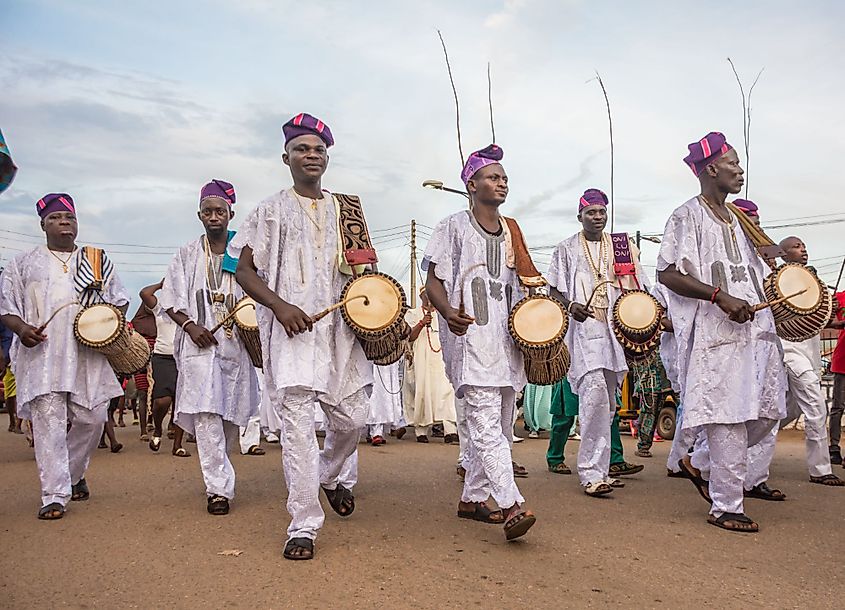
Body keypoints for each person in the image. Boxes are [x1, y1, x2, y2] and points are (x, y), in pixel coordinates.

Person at [231, 113, 373, 560]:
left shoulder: (348, 209)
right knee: (296, 432)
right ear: (286, 157)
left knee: (353, 421)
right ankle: (303, 524)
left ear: (327, 157)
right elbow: (242, 269)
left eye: (318, 150)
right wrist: (279, 305)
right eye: (302, 149)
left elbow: (366, 270)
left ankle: (329, 476)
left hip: (340, 334)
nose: (311, 156)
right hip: (291, 334)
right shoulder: (269, 211)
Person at [657, 132, 786, 532]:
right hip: (715, 336)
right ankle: (726, 505)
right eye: (733, 163)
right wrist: (718, 297)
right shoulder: (686, 216)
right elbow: (667, 273)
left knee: (769, 412)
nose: (740, 169)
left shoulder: (739, 221)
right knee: (728, 416)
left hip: (754, 333)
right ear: (712, 168)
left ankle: (700, 462)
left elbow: (756, 274)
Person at [423, 143, 536, 541]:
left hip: (506, 343)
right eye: (492, 176)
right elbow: (433, 279)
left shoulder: (513, 230)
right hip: (469, 337)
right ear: (471, 184)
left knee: (501, 426)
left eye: (504, 177)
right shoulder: (452, 226)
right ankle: (511, 503)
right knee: (486, 423)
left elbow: (526, 283)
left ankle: (472, 498)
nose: (501, 182)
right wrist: (448, 312)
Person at [0, 193, 129, 519]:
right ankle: (54, 495)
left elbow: (120, 300)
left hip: (87, 354)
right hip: (42, 355)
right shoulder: (23, 263)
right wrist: (21, 329)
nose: (64, 223)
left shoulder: (96, 260)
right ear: (43, 224)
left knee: (94, 418)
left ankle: (72, 474)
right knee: (49, 424)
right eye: (56, 218)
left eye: (69, 217)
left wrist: (106, 322)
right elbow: (7, 308)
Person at [160, 180, 260, 516]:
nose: (214, 216)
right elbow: (170, 299)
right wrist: (190, 326)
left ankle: (222, 473)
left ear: (231, 213)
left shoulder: (244, 252)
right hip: (199, 347)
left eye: (220, 211)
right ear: (199, 215)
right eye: (207, 211)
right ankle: (218, 490)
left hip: (237, 346)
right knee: (205, 415)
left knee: (230, 417)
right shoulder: (187, 254)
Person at [547, 188, 647, 496]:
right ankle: (590, 474)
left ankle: (602, 470)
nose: (598, 217)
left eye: (602, 211)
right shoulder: (566, 248)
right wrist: (570, 305)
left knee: (608, 406)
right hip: (585, 331)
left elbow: (636, 285)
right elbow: (553, 290)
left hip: (614, 332)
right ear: (580, 217)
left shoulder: (620, 245)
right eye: (591, 212)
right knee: (592, 400)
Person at [765, 236, 842, 485]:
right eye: (796, 247)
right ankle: (821, 470)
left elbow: (815, 318)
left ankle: (749, 444)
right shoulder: (780, 281)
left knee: (790, 409)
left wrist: (834, 322)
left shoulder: (811, 282)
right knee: (816, 406)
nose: (803, 249)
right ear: (783, 254)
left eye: (804, 246)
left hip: (809, 352)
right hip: (790, 351)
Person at [139, 280, 190, 458]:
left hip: (184, 357)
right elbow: (145, 293)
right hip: (162, 357)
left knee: (181, 403)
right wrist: (162, 284)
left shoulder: (189, 309)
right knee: (163, 400)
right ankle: (158, 429)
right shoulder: (160, 307)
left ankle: (177, 445)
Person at [403, 288, 458, 444]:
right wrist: (421, 323)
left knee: (446, 392)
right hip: (422, 357)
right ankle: (421, 431)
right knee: (423, 392)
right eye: (426, 296)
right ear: (421, 297)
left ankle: (450, 431)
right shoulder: (413, 314)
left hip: (441, 358)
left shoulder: (444, 315)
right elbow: (409, 337)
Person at [367, 360, 405, 446]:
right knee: (376, 391)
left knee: (387, 393)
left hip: (389, 359)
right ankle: (375, 431)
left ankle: (380, 431)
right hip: (374, 358)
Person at [830, 291, 845, 466]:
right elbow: (829, 321)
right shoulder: (838, 297)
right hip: (842, 359)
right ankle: (834, 447)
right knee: (838, 407)